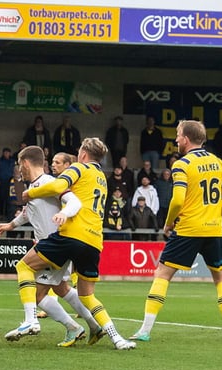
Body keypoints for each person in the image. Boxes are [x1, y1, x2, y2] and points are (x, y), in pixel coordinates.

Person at [130, 120, 222, 343]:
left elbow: (177, 200)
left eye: (177, 135)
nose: (176, 139)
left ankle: (145, 330)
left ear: (185, 139)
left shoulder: (182, 164)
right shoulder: (217, 162)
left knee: (162, 274)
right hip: (213, 230)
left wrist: (168, 223)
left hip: (188, 229)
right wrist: (216, 217)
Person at [15, 137, 136, 350]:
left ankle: (31, 320)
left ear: (83, 154)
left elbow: (59, 185)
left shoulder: (80, 168)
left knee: (24, 266)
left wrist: (30, 193)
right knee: (87, 295)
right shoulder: (102, 177)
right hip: (95, 240)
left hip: (72, 235)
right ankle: (116, 338)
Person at [0, 145, 102, 347]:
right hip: (52, 245)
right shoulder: (38, 186)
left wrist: (64, 214)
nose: (20, 169)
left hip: (55, 246)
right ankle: (92, 325)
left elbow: (74, 202)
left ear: (25, 163)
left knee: (33, 286)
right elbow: (29, 212)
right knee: (61, 288)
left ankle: (35, 322)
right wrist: (11, 224)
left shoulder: (49, 183)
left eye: (20, 165)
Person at [0, 147, 15, 221]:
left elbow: (16, 169)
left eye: (7, 152)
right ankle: (0, 214)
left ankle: (7, 215)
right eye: (5, 152)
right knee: (1, 198)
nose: (6, 154)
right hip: (2, 182)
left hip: (11, 183)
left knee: (9, 199)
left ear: (10, 153)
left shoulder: (13, 161)